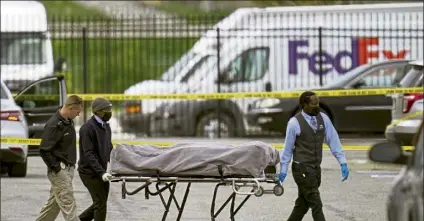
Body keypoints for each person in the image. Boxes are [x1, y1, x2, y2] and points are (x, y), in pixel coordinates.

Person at [279, 91, 349, 221]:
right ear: (304, 105)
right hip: (302, 169)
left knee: (302, 205)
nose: (317, 107)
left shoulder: (323, 118)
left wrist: (342, 162)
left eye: (318, 104)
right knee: (316, 205)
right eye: (313, 105)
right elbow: (287, 149)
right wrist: (283, 170)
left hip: (315, 169)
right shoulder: (294, 123)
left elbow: (333, 140)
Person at [36, 95, 83, 221]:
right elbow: (44, 150)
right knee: (69, 204)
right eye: (77, 112)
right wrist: (56, 169)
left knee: (53, 206)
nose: (78, 115)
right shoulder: (54, 125)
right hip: (60, 171)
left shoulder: (67, 121)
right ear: (70, 108)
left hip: (67, 170)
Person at [77, 97, 114, 221]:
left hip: (100, 171)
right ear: (98, 111)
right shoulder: (87, 128)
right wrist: (101, 172)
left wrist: (118, 165)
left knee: (100, 202)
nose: (109, 112)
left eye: (110, 109)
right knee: (100, 204)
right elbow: (88, 154)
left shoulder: (106, 126)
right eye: (106, 109)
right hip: (89, 172)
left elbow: (109, 148)